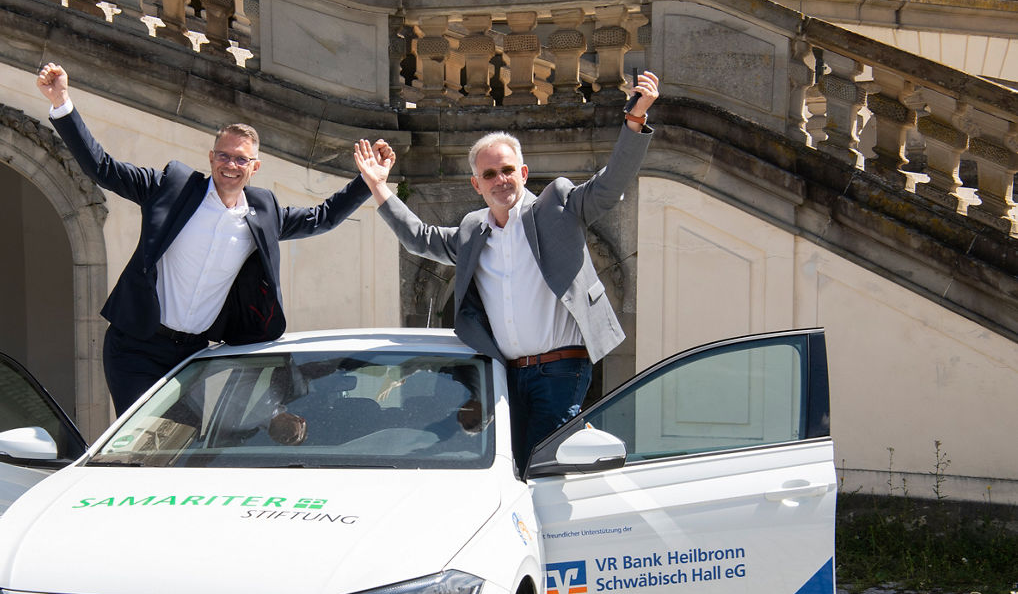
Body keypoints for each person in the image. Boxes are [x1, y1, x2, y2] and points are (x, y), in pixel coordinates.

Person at [353, 72, 660, 470]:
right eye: (490, 175)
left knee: (543, 465)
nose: (501, 180)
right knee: (509, 466)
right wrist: (380, 187)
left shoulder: (558, 205)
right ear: (476, 184)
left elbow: (608, 186)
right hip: (503, 375)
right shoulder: (471, 231)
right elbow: (420, 238)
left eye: (508, 170)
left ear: (524, 173)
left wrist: (634, 121)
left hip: (561, 368)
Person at [36, 63, 372, 413]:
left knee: (182, 451)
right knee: (143, 451)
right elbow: (103, 168)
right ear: (211, 158)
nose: (230, 164)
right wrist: (62, 103)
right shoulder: (172, 187)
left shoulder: (264, 212)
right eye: (223, 156)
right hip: (135, 346)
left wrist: (366, 181)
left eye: (240, 159)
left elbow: (323, 218)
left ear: (254, 167)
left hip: (192, 355)